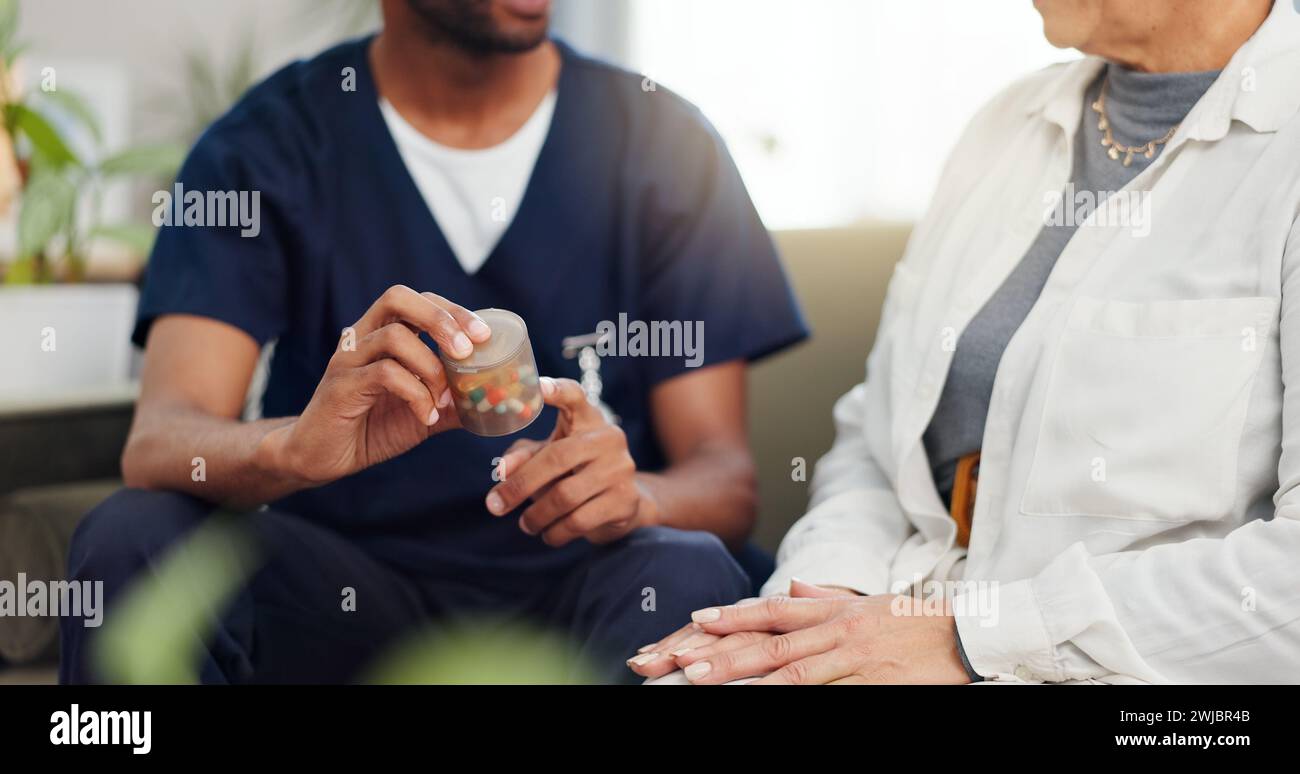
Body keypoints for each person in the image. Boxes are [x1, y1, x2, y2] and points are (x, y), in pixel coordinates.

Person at [60, 0, 806, 684]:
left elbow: (726, 479)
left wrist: (638, 496)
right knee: (134, 536)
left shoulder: (662, 144)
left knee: (690, 570)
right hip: (344, 602)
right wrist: (292, 447)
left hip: (587, 595)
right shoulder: (266, 147)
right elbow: (159, 441)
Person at [632, 0, 1300, 684]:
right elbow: (877, 436)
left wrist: (971, 638)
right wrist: (829, 604)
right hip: (904, 627)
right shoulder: (1005, 125)